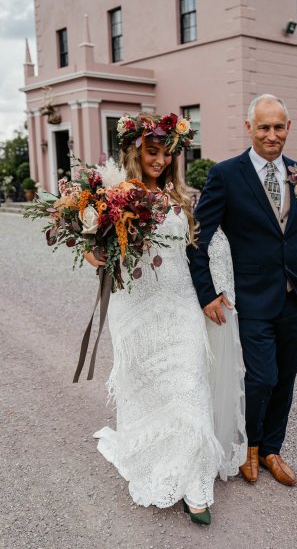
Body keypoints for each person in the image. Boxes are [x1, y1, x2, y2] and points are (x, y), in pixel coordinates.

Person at [84, 113, 224, 525]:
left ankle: (195, 484)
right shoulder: (114, 196)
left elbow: (199, 249)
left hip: (179, 302)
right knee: (147, 386)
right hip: (136, 306)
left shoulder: (181, 197)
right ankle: (154, 457)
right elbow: (95, 254)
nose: (160, 160)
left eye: (166, 153)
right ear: (135, 151)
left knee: (188, 381)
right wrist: (100, 252)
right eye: (152, 152)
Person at [188, 94, 297, 485]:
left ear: (287, 129)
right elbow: (198, 237)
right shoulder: (226, 175)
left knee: (286, 377)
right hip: (250, 298)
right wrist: (207, 294)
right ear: (248, 128)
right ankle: (248, 447)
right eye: (263, 127)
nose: (271, 135)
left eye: (278, 127)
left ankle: (271, 450)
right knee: (261, 377)